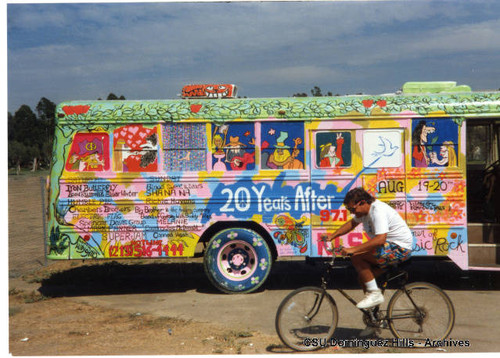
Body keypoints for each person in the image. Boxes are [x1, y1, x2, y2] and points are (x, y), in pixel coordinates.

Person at [325, 187, 412, 309]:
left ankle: (374, 294)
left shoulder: (377, 211)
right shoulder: (364, 211)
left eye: (352, 209)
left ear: (362, 203)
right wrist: (332, 236)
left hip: (399, 248)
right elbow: (351, 224)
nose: (352, 212)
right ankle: (373, 319)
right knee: (363, 278)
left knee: (357, 257)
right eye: (349, 209)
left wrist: (353, 249)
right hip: (387, 246)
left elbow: (380, 239)